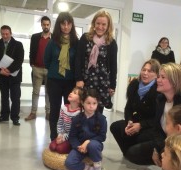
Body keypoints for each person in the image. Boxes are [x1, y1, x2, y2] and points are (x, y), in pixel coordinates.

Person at [123, 63, 181, 168]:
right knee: (132, 153)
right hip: (165, 141)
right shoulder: (161, 100)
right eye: (159, 76)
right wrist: (157, 149)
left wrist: (165, 151)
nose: (158, 80)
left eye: (163, 77)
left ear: (175, 81)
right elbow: (157, 129)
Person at [110, 59, 160, 165]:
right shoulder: (134, 85)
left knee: (140, 137)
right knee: (115, 126)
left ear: (156, 75)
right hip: (135, 122)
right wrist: (129, 121)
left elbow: (157, 118)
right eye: (144, 70)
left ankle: (136, 154)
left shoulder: (158, 91)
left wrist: (140, 125)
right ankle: (129, 154)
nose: (145, 73)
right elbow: (128, 108)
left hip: (150, 127)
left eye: (150, 71)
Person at [44, 12, 78, 141]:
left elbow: (77, 62)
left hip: (70, 82)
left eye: (68, 23)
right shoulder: (53, 42)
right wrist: (55, 70)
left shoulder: (76, 42)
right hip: (54, 81)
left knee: (71, 111)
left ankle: (69, 138)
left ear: (71, 25)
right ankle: (54, 137)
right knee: (55, 111)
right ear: (59, 25)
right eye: (63, 24)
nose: (66, 26)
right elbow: (46, 61)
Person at [75, 11, 118, 113]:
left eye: (104, 24)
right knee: (84, 111)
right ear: (94, 23)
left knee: (98, 113)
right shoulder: (85, 38)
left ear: (108, 26)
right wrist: (78, 79)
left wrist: (112, 85)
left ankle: (96, 129)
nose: (100, 27)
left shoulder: (111, 42)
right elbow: (78, 60)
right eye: (98, 23)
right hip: (86, 81)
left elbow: (113, 65)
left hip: (103, 83)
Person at [65, 89, 107, 170]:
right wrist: (78, 147)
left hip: (94, 146)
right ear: (82, 102)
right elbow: (72, 137)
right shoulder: (76, 119)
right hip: (80, 148)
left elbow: (102, 137)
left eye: (94, 103)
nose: (91, 106)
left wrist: (87, 142)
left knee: (92, 145)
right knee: (69, 163)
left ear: (97, 104)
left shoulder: (101, 119)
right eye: (88, 103)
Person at [0, 25, 24, 126]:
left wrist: (9, 69)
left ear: (11, 33)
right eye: (3, 34)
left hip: (14, 75)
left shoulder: (18, 45)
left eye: (7, 34)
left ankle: (15, 117)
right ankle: (4, 116)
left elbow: (19, 60)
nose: (5, 36)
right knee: (4, 97)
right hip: (1, 75)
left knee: (15, 97)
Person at [25, 16, 51, 121]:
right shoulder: (35, 37)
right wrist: (32, 64)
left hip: (49, 70)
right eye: (44, 24)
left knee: (48, 92)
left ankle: (48, 113)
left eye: (47, 24)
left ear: (50, 25)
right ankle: (33, 112)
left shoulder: (54, 38)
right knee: (35, 92)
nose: (46, 26)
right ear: (41, 25)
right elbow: (31, 51)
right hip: (37, 69)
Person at [49, 87, 83, 154]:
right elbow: (60, 123)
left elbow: (75, 131)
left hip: (72, 137)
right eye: (72, 92)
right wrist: (59, 135)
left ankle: (72, 148)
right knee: (52, 147)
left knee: (60, 149)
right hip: (63, 134)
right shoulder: (63, 107)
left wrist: (64, 138)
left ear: (79, 100)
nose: (71, 93)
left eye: (75, 93)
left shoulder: (79, 113)